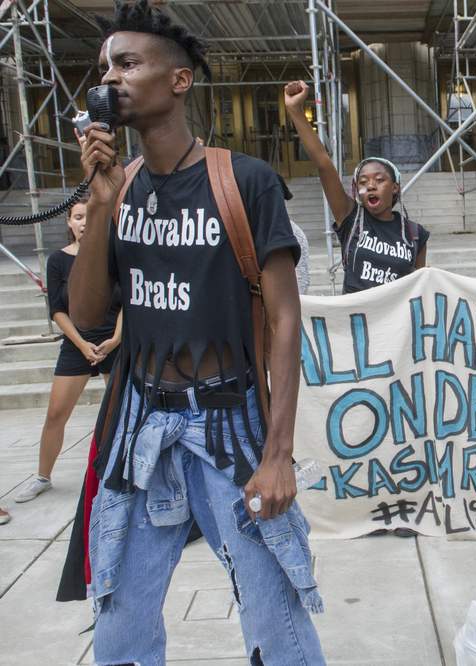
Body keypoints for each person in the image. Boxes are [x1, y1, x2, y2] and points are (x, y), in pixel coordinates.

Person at [67, 2, 324, 663]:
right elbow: (91, 313)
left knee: (274, 618)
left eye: (128, 63)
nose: (110, 79)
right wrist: (97, 206)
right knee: (119, 623)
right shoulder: (116, 189)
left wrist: (278, 454)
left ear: (179, 80)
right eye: (104, 67)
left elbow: (285, 316)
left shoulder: (244, 181)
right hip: (140, 430)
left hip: (229, 428)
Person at [14, 196, 123, 505]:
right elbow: (57, 310)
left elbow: (130, 301)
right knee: (56, 414)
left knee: (120, 414)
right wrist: (81, 343)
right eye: (77, 217)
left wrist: (115, 339)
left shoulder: (113, 255)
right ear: (69, 223)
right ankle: (42, 477)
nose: (84, 222)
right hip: (77, 344)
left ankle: (120, 473)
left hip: (113, 343)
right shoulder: (58, 260)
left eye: (89, 216)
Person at [283, 80, 429, 294]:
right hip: (355, 324)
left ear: (395, 187)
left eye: (379, 180)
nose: (370, 186)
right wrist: (295, 111)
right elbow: (323, 163)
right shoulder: (349, 219)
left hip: (396, 325)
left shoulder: (415, 234)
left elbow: (418, 289)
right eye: (363, 182)